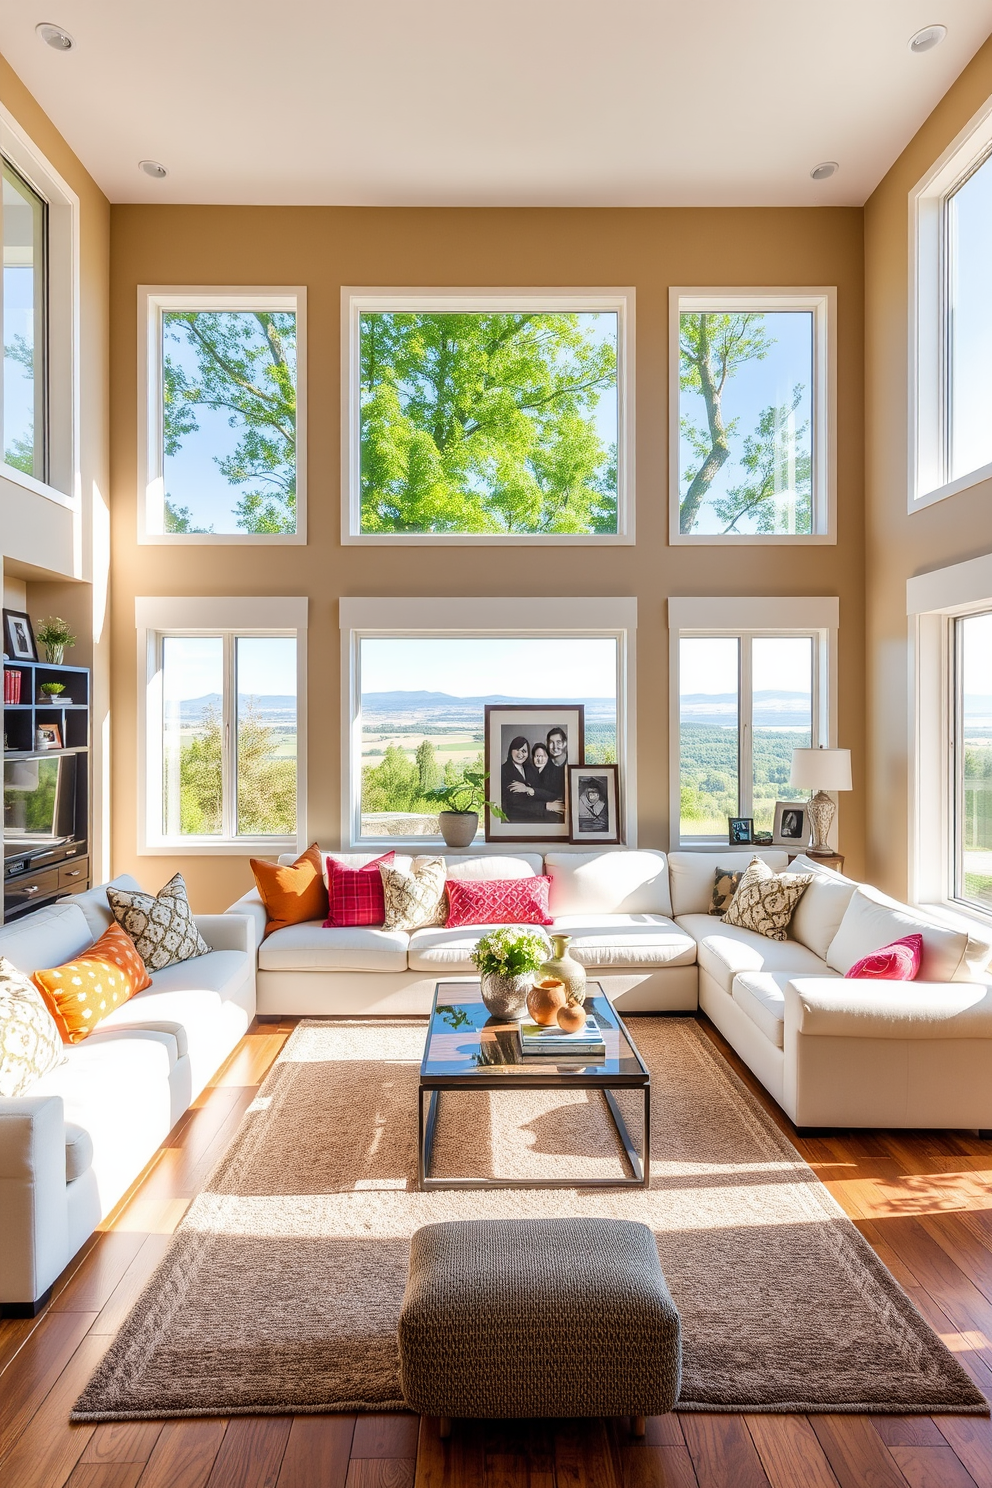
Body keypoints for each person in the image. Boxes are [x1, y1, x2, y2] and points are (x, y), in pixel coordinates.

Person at [501, 736, 540, 823]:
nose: (520, 754)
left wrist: (528, 789)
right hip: (514, 818)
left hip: (535, 815)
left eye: (524, 751)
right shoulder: (503, 770)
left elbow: (539, 790)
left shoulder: (532, 769)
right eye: (517, 750)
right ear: (510, 751)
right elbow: (514, 801)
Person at [526, 741, 565, 820]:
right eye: (537, 756)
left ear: (548, 758)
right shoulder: (530, 772)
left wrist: (533, 791)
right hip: (537, 812)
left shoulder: (555, 772)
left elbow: (555, 795)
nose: (539, 759)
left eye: (543, 756)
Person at [545, 726, 568, 799]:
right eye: (551, 742)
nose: (555, 747)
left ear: (564, 743)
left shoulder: (571, 761)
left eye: (558, 742)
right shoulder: (544, 762)